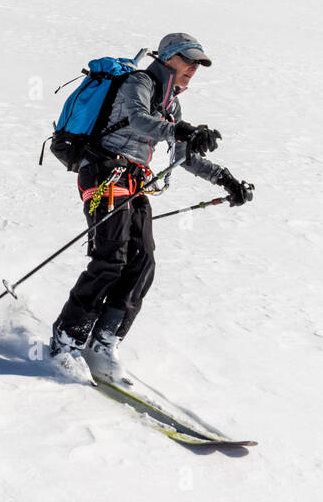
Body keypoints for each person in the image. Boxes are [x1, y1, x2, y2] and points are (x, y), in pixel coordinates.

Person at [49, 33, 254, 381]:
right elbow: (139, 120)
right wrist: (183, 131)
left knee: (142, 261)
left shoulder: (171, 105)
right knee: (111, 257)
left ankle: (104, 341)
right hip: (102, 172)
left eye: (198, 65)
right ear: (167, 58)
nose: (193, 69)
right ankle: (67, 338)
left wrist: (226, 179)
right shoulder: (138, 82)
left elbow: (183, 158)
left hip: (133, 181)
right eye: (188, 61)